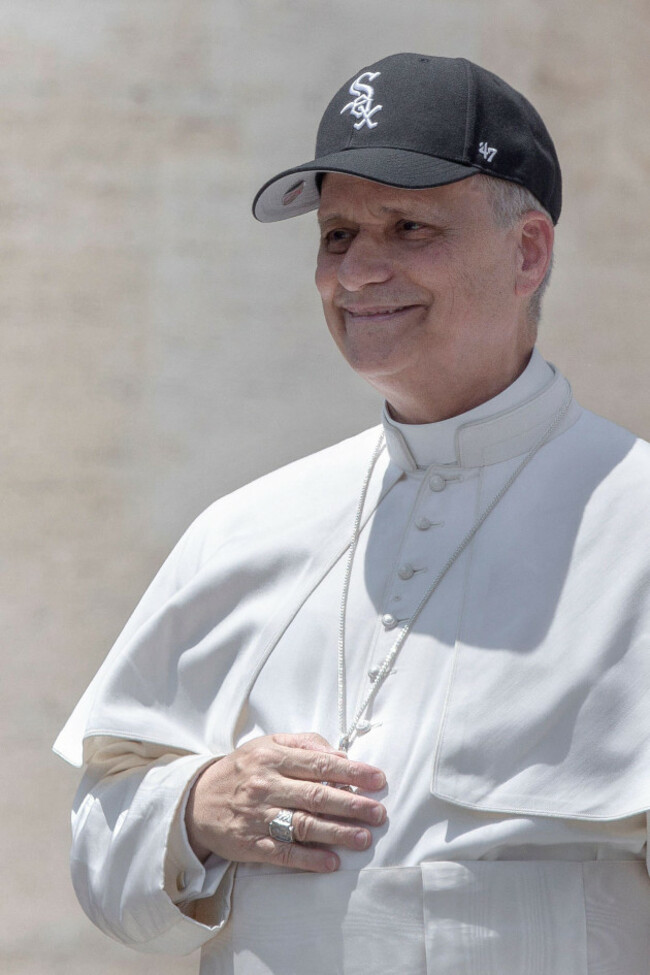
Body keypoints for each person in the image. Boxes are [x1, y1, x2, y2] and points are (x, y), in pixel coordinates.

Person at [54, 54, 650, 974]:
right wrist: (198, 806)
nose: (359, 271)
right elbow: (102, 839)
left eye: (408, 227)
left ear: (527, 252)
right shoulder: (242, 526)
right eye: (336, 237)